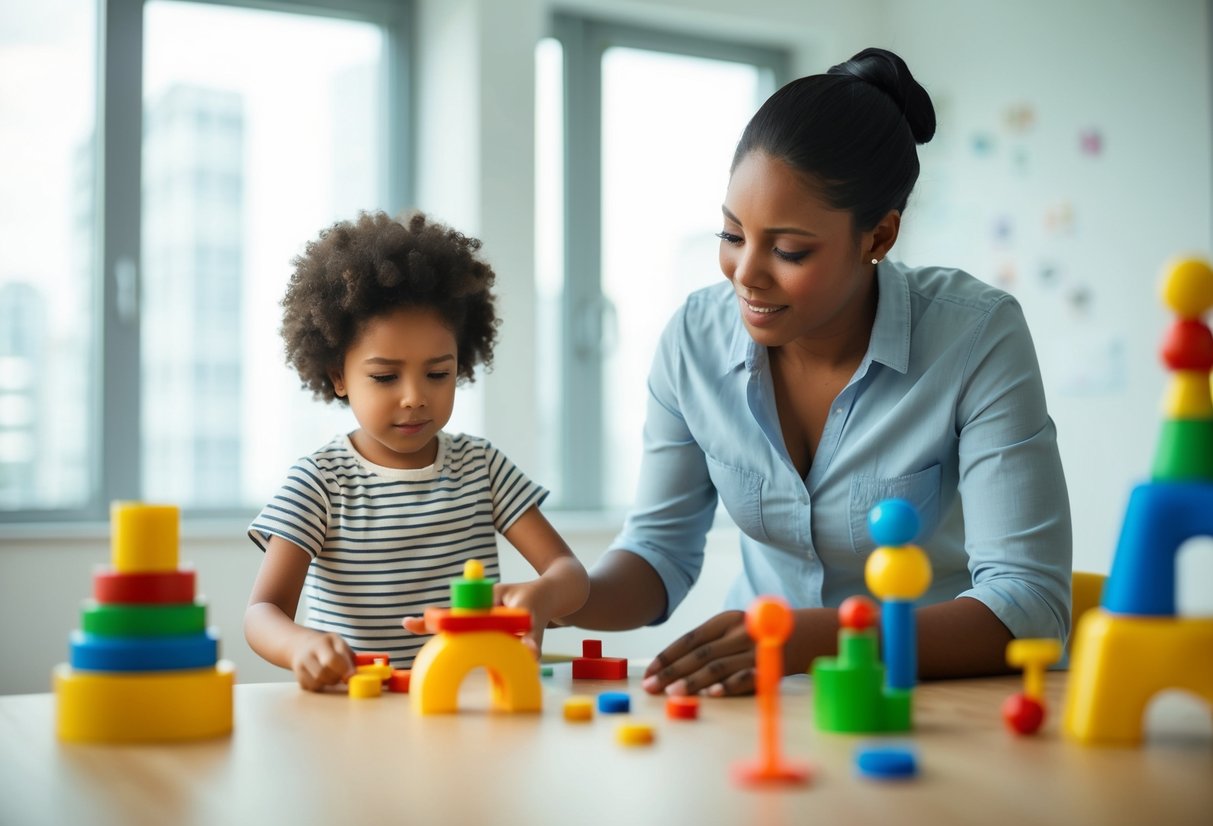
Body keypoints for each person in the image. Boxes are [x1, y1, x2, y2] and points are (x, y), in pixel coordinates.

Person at [559, 47, 1072, 696]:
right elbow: (658, 551)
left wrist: (818, 638)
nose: (745, 274)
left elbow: (1030, 607)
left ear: (878, 239)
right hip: (762, 700)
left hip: (934, 698)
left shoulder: (975, 336)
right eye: (731, 235)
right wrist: (566, 594)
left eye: (789, 249)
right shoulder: (693, 338)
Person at [245, 211, 589, 691]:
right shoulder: (320, 482)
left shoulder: (481, 468)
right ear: (337, 376)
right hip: (360, 710)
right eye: (385, 377)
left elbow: (570, 574)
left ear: (461, 364)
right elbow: (262, 612)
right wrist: (300, 645)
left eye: (437, 373)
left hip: (467, 704)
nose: (414, 396)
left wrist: (543, 595)